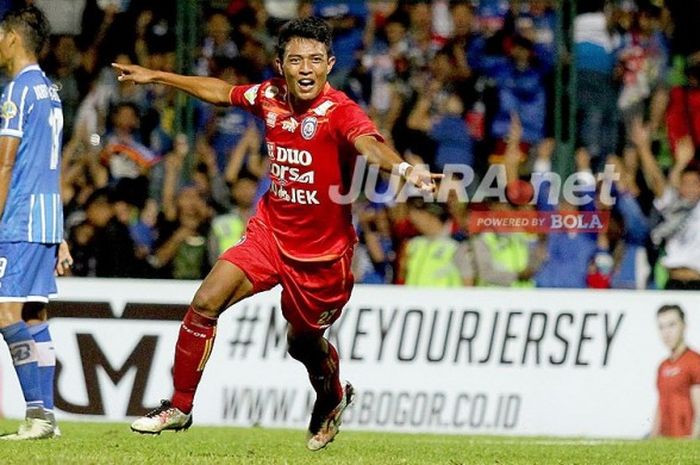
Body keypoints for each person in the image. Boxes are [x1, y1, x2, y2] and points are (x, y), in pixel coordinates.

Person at [114, 16, 438, 451]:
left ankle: (331, 397)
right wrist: (158, 76)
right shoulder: (269, 95)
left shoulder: (340, 111)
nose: (306, 69)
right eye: (296, 60)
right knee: (206, 300)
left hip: (323, 259)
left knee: (301, 345)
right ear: (281, 65)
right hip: (269, 234)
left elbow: (368, 144)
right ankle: (179, 405)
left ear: (329, 64)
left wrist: (401, 167)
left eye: (315, 60)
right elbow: (220, 91)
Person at [0, 6, 73, 440]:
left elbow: (7, 163)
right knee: (33, 313)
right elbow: (50, 164)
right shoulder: (50, 90)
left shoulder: (18, 91)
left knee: (6, 310)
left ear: (12, 38)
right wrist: (60, 232)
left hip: (21, 217)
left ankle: (38, 416)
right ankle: (46, 417)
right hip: (46, 218)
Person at [651, 304, 700, 438]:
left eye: (672, 325)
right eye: (661, 327)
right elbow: (660, 405)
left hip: (686, 442)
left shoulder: (695, 361)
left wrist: (694, 440)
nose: (666, 333)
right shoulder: (662, 366)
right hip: (666, 443)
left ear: (684, 326)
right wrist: (653, 437)